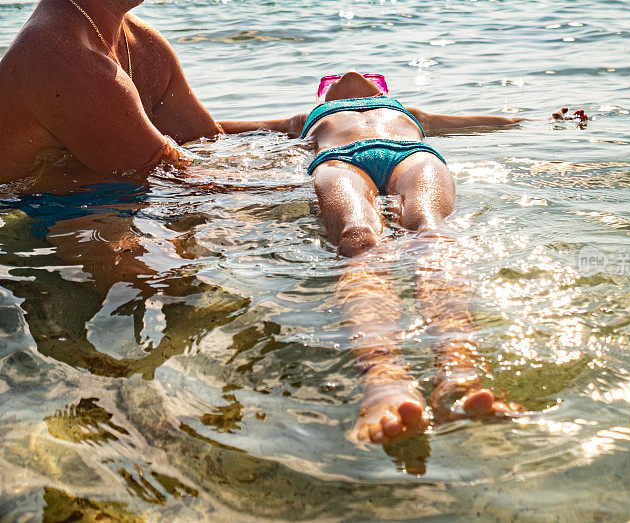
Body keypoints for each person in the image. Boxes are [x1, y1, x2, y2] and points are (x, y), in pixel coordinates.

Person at [266, 72, 586, 443]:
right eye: (335, 80)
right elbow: (218, 127)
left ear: (383, 91)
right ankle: (383, 382)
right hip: (338, 162)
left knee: (431, 232)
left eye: (370, 77)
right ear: (323, 96)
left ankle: (459, 373)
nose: (352, 74)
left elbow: (484, 122)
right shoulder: (302, 121)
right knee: (358, 239)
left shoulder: (409, 112)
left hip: (413, 158)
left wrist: (541, 121)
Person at [0, 0, 297, 183]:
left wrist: (296, 126)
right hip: (33, 219)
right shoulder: (62, 59)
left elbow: (206, 140)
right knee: (166, 278)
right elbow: (178, 176)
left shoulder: (143, 45)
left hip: (100, 199)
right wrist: (312, 177)